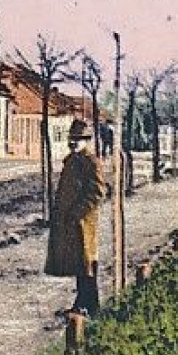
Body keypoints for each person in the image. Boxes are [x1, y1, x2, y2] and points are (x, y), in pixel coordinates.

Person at [44, 117, 109, 317]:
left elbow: (98, 192)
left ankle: (88, 306)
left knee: (86, 263)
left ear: (87, 140)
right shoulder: (71, 161)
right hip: (69, 222)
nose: (73, 142)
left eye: (78, 139)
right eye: (71, 138)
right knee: (80, 265)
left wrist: (77, 213)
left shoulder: (90, 162)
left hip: (83, 223)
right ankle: (84, 304)